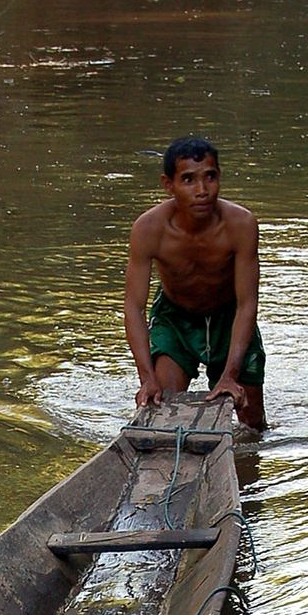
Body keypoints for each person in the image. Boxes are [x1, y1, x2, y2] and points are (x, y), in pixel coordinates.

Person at [124, 136, 267, 430]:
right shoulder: (148, 229)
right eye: (188, 180)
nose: (202, 191)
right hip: (176, 319)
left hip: (229, 318)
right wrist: (146, 378)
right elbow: (133, 307)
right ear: (169, 185)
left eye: (210, 177)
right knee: (160, 408)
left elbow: (247, 304)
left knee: (252, 425)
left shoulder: (241, 224)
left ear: (219, 178)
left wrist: (231, 373)